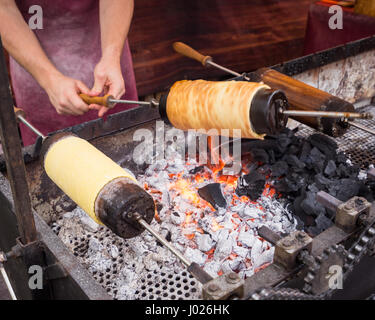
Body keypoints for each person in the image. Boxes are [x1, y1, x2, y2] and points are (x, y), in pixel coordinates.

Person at [0, 0, 137, 145]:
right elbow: (3, 9)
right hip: (35, 73)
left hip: (110, 59)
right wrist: (49, 79)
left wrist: (111, 55)